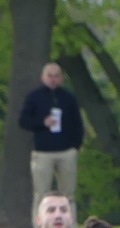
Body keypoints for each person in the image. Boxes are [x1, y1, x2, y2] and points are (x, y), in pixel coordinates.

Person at [18, 62, 85, 219]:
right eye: (50, 76)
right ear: (43, 77)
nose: (53, 79)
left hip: (66, 152)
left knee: (68, 195)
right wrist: (42, 122)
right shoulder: (34, 97)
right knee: (41, 195)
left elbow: (78, 124)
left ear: (61, 78)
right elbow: (23, 121)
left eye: (56, 76)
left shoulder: (68, 97)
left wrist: (75, 146)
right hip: (43, 152)